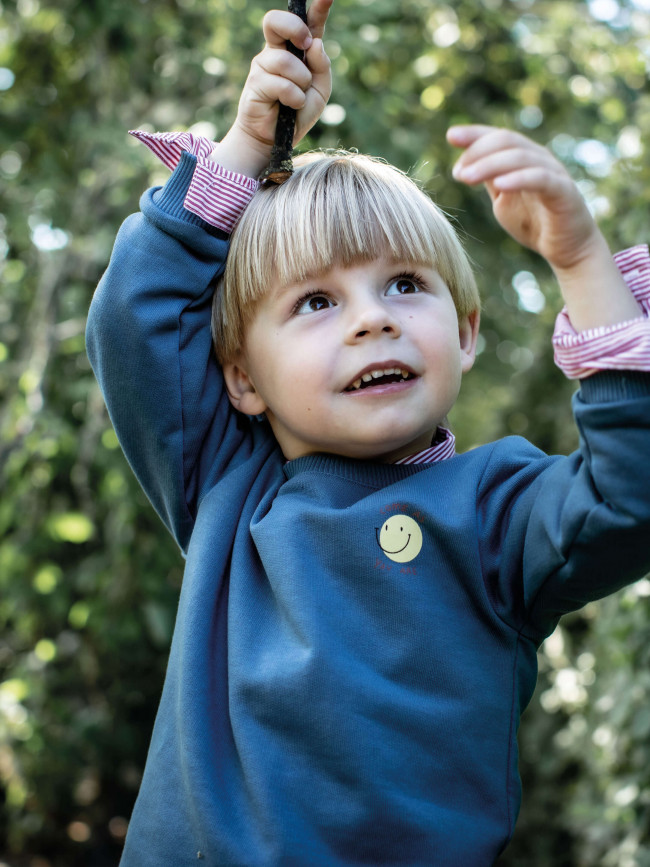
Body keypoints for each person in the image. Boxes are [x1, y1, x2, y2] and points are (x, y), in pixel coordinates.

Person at [86, 2, 650, 863]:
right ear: (243, 378)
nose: (371, 321)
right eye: (316, 301)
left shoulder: (498, 511)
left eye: (405, 286)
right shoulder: (225, 488)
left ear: (465, 331)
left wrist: (580, 261)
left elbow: (631, 495)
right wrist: (248, 144)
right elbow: (136, 319)